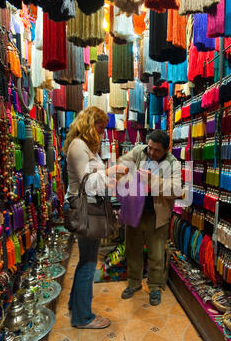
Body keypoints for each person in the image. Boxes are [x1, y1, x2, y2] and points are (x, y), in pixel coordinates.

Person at [63, 106, 127, 329]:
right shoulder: (79, 146)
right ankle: (83, 317)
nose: (102, 132)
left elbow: (93, 180)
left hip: (91, 208)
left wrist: (111, 177)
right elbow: (88, 183)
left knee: (85, 260)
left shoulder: (84, 147)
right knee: (88, 263)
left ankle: (76, 305)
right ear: (90, 124)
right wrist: (111, 172)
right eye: (100, 127)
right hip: (87, 210)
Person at [118, 130, 182, 306]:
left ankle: (154, 286)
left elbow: (176, 190)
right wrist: (127, 173)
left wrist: (153, 180)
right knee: (132, 250)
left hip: (157, 216)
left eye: (157, 150)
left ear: (166, 150)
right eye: (150, 148)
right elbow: (121, 163)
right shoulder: (140, 151)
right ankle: (134, 283)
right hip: (134, 213)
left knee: (156, 254)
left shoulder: (173, 163)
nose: (152, 152)